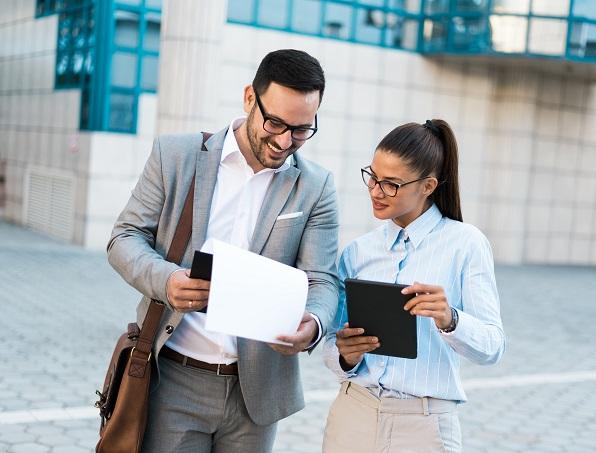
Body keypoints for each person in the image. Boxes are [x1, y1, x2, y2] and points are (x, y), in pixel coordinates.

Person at [107, 49, 339, 453]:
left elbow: (322, 278)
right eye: (276, 123)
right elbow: (124, 237)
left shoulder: (316, 186)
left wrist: (314, 324)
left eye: (301, 129)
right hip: (174, 381)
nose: (285, 141)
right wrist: (167, 281)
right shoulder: (175, 155)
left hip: (257, 394)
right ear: (250, 98)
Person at [322, 119, 505, 453]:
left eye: (391, 184)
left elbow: (492, 347)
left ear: (428, 186)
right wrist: (345, 356)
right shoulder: (358, 252)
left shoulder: (466, 244)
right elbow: (333, 348)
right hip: (353, 415)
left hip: (425, 427)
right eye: (373, 177)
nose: (376, 191)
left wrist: (450, 319)